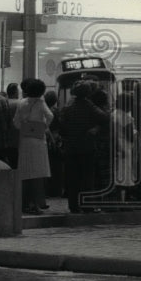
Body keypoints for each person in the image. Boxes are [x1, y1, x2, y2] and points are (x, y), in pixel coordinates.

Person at [59, 82, 110, 213]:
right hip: (87, 146)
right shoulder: (90, 106)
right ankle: (87, 205)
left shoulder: (67, 107)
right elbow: (105, 118)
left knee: (72, 178)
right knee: (87, 178)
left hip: (70, 147)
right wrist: (96, 128)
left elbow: (62, 128)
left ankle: (73, 205)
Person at [13, 78, 53, 214]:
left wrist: (24, 127)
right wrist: (43, 127)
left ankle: (23, 203)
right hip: (38, 141)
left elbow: (15, 122)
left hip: (24, 141)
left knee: (25, 173)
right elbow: (50, 116)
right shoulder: (41, 103)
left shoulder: (21, 103)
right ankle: (35, 204)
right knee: (37, 174)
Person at [112, 92, 138, 202]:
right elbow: (130, 136)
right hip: (125, 147)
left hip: (115, 146)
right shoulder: (126, 118)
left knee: (117, 174)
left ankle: (118, 200)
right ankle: (125, 202)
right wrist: (136, 134)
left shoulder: (113, 114)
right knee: (126, 175)